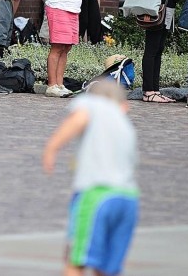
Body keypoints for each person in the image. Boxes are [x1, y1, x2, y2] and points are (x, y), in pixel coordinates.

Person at [43, 80, 139, 276]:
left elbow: (80, 118)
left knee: (76, 260)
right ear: (124, 105)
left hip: (97, 195)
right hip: (128, 198)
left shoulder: (94, 104)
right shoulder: (125, 124)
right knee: (106, 267)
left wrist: (52, 147)